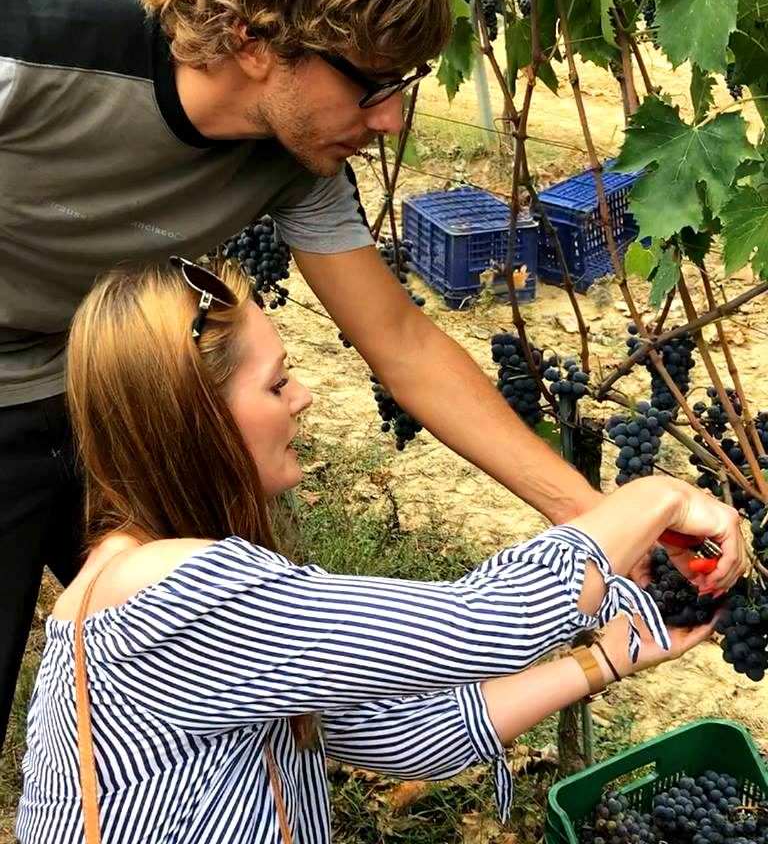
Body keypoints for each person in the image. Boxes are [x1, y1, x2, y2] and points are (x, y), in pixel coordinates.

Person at [0, 0, 604, 750]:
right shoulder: (29, 46)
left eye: (405, 86)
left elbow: (401, 341)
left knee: (234, 684)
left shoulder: (300, 164)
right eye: (370, 86)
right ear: (255, 38)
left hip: (123, 397)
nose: (392, 119)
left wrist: (588, 515)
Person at [16, 257, 747, 844]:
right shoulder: (171, 590)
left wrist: (611, 654)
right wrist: (656, 497)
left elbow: (399, 739)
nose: (302, 396)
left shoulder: (159, 579)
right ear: (199, 421)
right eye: (275, 384)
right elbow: (486, 624)